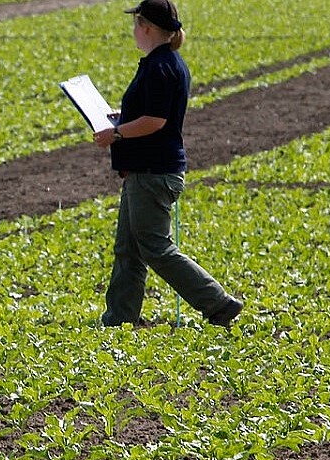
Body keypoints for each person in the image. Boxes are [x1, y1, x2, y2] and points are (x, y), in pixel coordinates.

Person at [94, 0, 242, 328]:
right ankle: (118, 320)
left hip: (154, 173)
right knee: (128, 250)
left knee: (155, 247)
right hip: (144, 172)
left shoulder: (162, 67)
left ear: (146, 27)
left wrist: (117, 133)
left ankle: (217, 302)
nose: (133, 30)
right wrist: (124, 118)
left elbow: (156, 121)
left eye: (136, 24)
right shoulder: (162, 63)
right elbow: (150, 114)